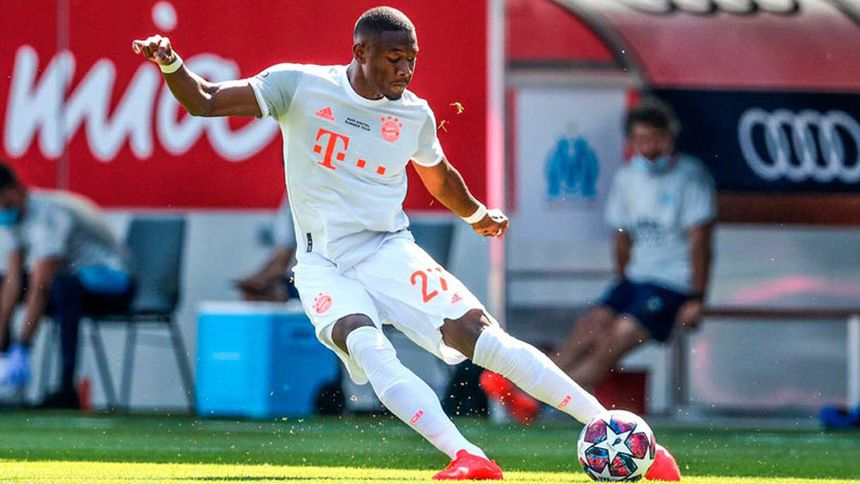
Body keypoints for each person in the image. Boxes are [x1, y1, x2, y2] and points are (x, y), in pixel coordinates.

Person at [131, 8, 679, 480]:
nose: (405, 69)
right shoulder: (299, 86)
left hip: (388, 250)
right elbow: (205, 100)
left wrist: (477, 214)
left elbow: (438, 175)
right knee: (368, 345)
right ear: (360, 52)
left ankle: (623, 436)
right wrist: (171, 64)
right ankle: (468, 456)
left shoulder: (413, 113)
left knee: (482, 337)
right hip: (323, 264)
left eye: (411, 59)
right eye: (394, 58)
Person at [483, 99, 714, 441]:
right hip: (635, 279)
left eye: (655, 138)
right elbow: (621, 236)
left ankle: (542, 403)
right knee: (589, 326)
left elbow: (701, 240)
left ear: (669, 138)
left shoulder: (690, 177)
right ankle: (528, 391)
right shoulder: (628, 177)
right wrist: (622, 280)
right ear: (631, 141)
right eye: (641, 139)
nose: (649, 147)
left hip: (672, 285)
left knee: (613, 340)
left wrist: (696, 297)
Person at [0, 163, 135, 409]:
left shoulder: (50, 215)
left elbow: (41, 286)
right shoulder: (12, 216)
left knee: (63, 288)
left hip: (114, 281)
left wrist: (22, 346)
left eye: (3, 203)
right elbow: (12, 284)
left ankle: (67, 388)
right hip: (72, 283)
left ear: (16, 190)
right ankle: (6, 381)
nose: (2, 211)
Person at [235, 194, 298, 302]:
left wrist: (261, 280)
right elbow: (282, 254)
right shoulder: (293, 196)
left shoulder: (299, 197)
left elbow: (281, 259)